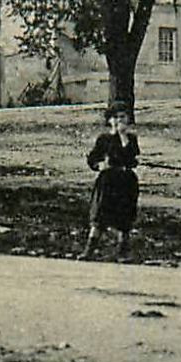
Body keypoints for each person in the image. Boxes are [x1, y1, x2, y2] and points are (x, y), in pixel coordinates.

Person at [79, 104, 141, 261]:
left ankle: (122, 252)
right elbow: (93, 158)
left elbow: (132, 157)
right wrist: (98, 165)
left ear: (128, 120)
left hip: (125, 181)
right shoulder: (104, 139)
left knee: (124, 217)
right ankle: (89, 250)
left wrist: (123, 137)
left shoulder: (131, 139)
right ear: (109, 120)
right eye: (116, 117)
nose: (119, 120)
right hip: (108, 181)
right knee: (100, 215)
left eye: (123, 117)